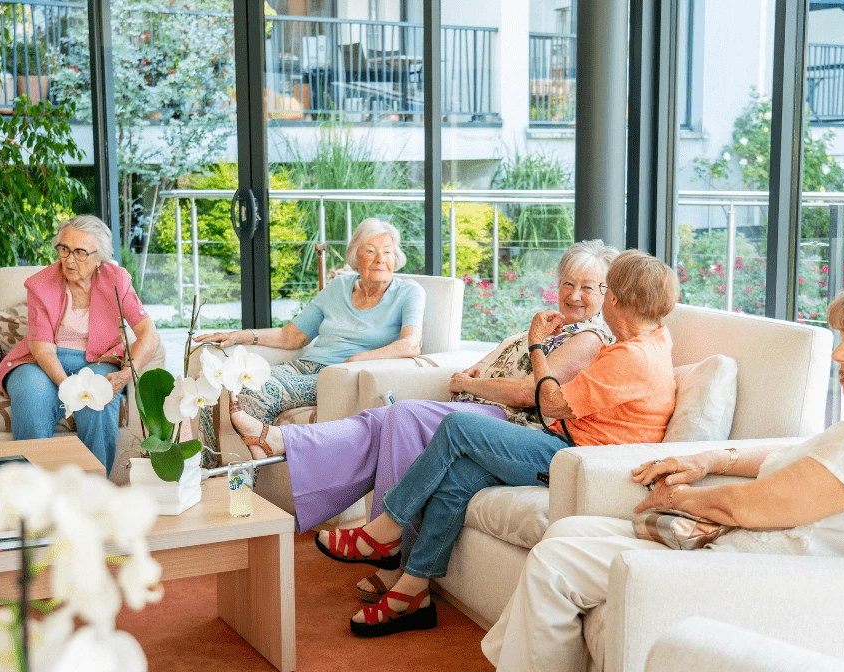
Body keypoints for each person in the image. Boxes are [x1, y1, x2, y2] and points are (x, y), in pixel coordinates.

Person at [481, 285, 844, 672]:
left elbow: (755, 507)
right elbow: (790, 461)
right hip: (748, 555)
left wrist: (676, 499)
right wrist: (712, 457)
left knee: (557, 560)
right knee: (568, 532)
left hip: (760, 577)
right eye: (841, 340)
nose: (839, 354)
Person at [224, 240, 621, 601]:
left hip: (509, 424)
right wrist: (473, 378)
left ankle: (386, 549)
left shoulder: (589, 337)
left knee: (405, 415)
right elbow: (490, 370)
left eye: (588, 287)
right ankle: (280, 441)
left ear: (606, 294)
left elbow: (527, 392)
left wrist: (472, 384)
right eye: (568, 284)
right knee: (385, 421)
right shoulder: (550, 325)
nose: (575, 295)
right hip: (484, 407)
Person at [314, 250, 682, 637]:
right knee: (459, 473)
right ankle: (412, 593)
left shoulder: (630, 356)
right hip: (574, 447)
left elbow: (550, 401)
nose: (598, 298)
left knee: (458, 427)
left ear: (617, 301)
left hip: (574, 457)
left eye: (603, 290)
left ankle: (384, 531)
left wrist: (537, 344)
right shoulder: (655, 338)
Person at [194, 218, 425, 436]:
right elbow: (291, 337)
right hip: (305, 366)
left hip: (337, 376)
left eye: (387, 252)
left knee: (256, 390)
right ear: (356, 256)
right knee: (219, 383)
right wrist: (238, 336)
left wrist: (359, 358)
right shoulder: (338, 287)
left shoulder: (408, 292)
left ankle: (246, 475)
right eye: (371, 251)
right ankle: (208, 468)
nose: (380, 259)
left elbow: (411, 345)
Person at [0, 215, 160, 471]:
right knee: (31, 393)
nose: (70, 260)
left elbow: (148, 332)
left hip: (100, 360)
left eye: (80, 252)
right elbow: (42, 349)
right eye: (64, 249)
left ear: (99, 257)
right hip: (41, 361)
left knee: (96, 402)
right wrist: (70, 388)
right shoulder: (40, 284)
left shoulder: (117, 280)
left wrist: (127, 374)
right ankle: (30, 495)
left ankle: (92, 496)